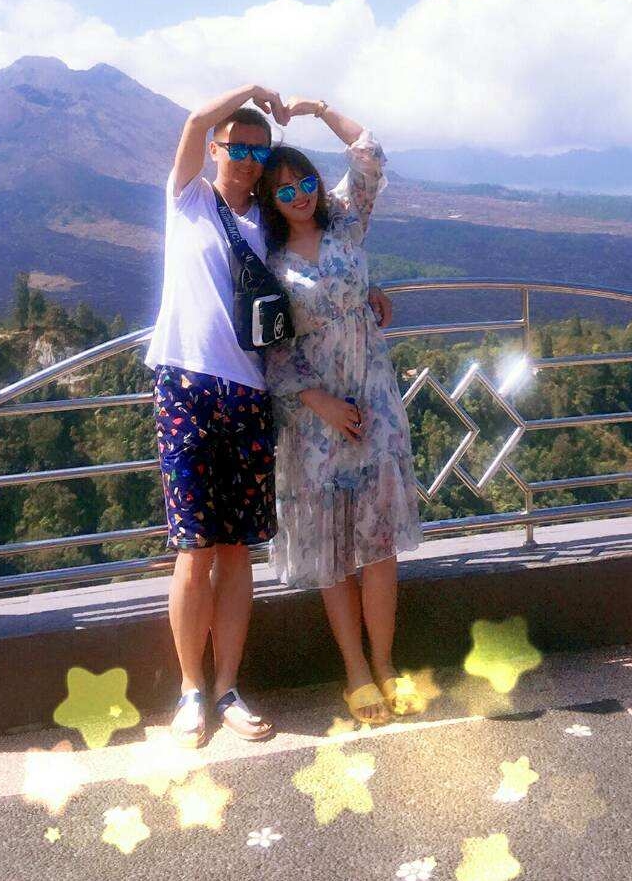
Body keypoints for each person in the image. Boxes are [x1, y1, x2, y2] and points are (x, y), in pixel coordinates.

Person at [144, 84, 395, 748]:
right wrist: (252, 91)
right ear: (216, 149)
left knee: (235, 551)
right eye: (238, 147)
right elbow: (194, 120)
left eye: (259, 150)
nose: (249, 160)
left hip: (252, 394)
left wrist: (365, 288)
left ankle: (227, 687)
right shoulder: (188, 199)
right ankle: (190, 691)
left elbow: (316, 277)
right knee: (193, 548)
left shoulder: (269, 223)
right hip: (187, 385)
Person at [257, 100, 423, 726]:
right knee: (331, 548)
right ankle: (355, 671)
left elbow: (369, 152)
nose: (299, 195)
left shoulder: (346, 224)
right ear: (270, 202)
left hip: (373, 399)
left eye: (304, 182)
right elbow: (272, 350)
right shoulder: (269, 263)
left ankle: (386, 664)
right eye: (283, 190)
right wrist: (319, 402)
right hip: (316, 418)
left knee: (378, 543)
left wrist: (318, 109)